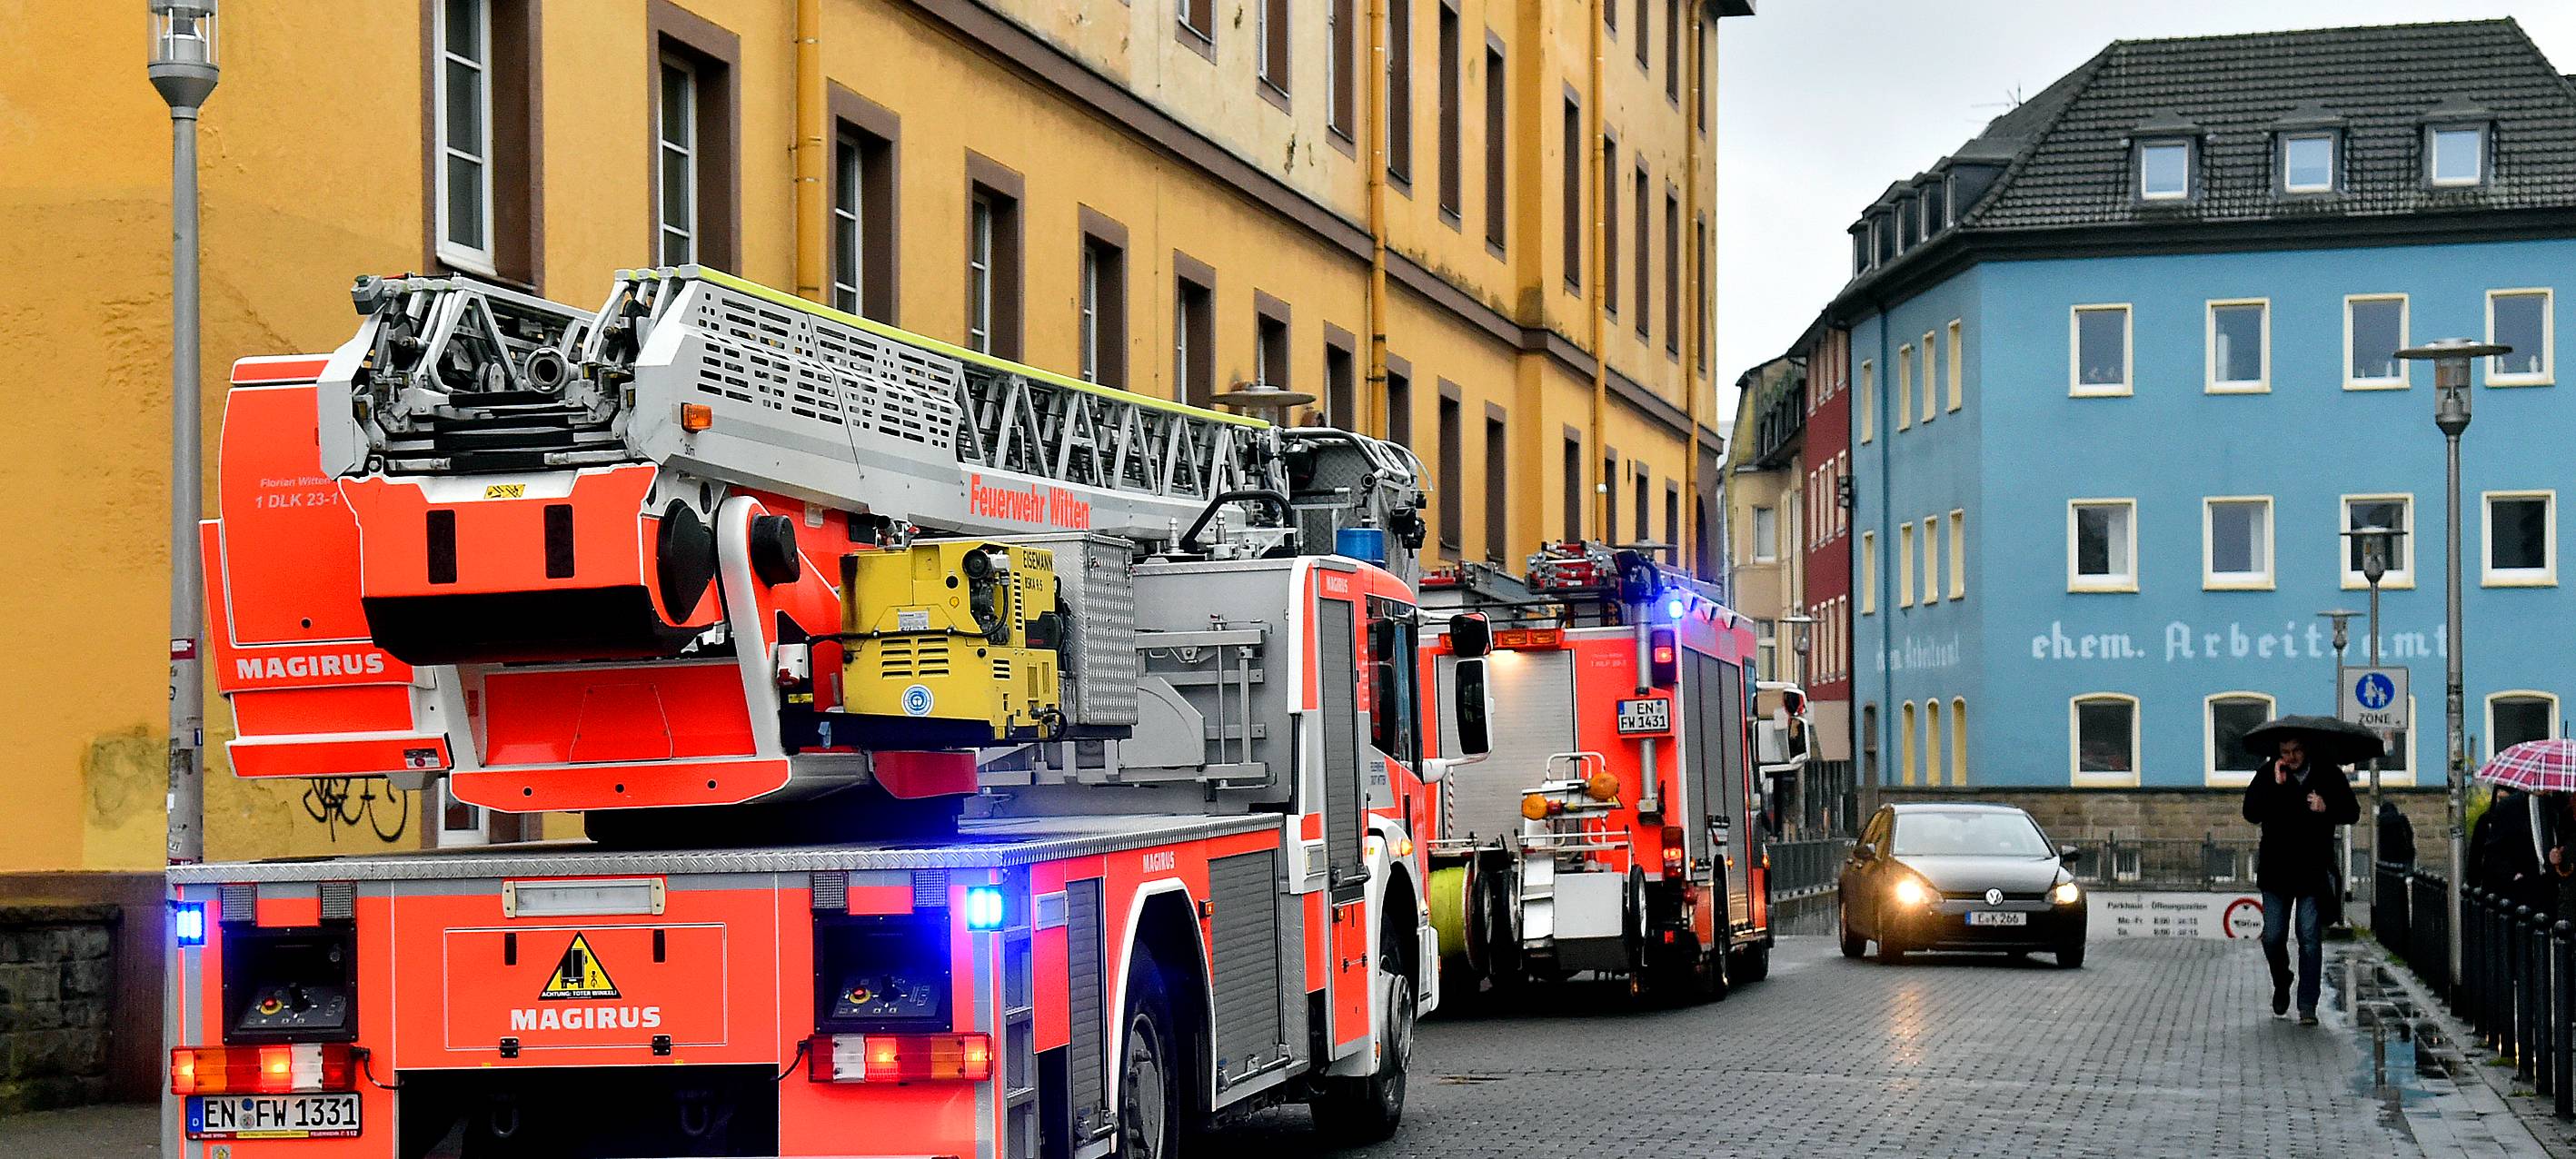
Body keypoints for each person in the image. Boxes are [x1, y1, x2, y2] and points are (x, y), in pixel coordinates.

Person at [2242, 735, 2359, 1025]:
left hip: (2312, 870)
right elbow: (2250, 812)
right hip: (2276, 870)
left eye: (2295, 751)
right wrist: (2275, 786)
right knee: (2273, 935)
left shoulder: (2327, 774)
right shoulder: (2269, 774)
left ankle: (2308, 1004)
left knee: (2308, 937)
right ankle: (2282, 981)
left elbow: (2352, 812)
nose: (2291, 757)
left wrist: (2326, 806)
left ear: (2306, 750)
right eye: (2285, 751)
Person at [2469, 786, 2555, 916]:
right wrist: (2512, 875)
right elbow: (2492, 851)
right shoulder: (2509, 806)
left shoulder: (2550, 805)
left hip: (2546, 888)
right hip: (2517, 891)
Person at [2377, 800, 2417, 867]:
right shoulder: (2402, 819)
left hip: (2387, 856)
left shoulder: (2381, 821)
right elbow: (2410, 835)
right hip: (2404, 854)